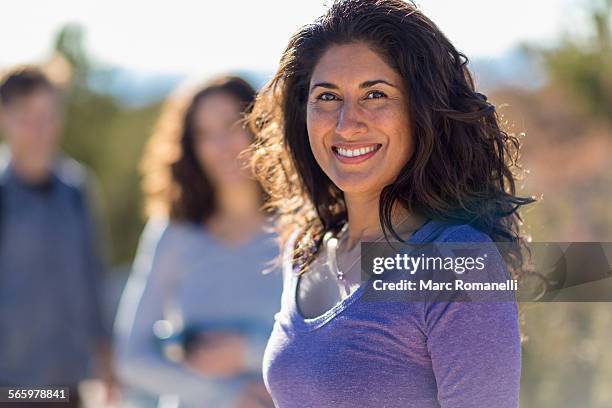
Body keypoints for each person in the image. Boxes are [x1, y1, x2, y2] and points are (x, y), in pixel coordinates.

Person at [247, 1, 535, 407]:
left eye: (376, 94)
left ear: (422, 112)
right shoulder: (305, 250)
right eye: (327, 96)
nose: (347, 123)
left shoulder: (457, 261)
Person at [114, 75, 282, 408]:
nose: (221, 147)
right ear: (191, 149)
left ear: (259, 125)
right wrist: (227, 396)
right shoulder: (173, 233)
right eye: (204, 135)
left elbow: (330, 346)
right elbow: (131, 356)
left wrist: (248, 352)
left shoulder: (298, 229)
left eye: (231, 126)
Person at [0, 67, 115, 407]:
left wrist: (107, 363)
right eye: (28, 117)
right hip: (10, 385)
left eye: (48, 116)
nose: (41, 129)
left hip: (69, 383)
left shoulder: (76, 190)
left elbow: (93, 278)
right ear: (4, 116)